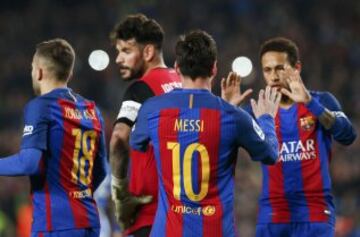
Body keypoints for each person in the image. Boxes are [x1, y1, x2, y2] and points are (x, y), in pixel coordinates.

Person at [129, 30, 281, 237]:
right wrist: (267, 119)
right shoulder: (232, 117)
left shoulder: (152, 109)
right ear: (214, 68)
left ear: (176, 67)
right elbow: (271, 154)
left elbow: (136, 143)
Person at [0, 38, 107, 237]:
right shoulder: (92, 109)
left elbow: (29, 163)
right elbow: (101, 170)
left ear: (39, 71)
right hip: (90, 220)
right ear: (70, 73)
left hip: (55, 223)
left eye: (32, 68)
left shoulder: (41, 106)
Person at [251, 37, 357, 237]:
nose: (273, 76)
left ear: (296, 67)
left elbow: (348, 135)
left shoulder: (321, 101)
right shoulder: (258, 111)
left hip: (315, 213)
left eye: (280, 68)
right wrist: (227, 108)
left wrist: (310, 103)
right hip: (273, 215)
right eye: (267, 70)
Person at [109, 13, 181, 237]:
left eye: (126, 51)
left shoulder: (142, 88)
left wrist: (119, 190)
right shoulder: (182, 81)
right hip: (184, 214)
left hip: (149, 216)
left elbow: (119, 137)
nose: (118, 59)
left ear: (148, 51)